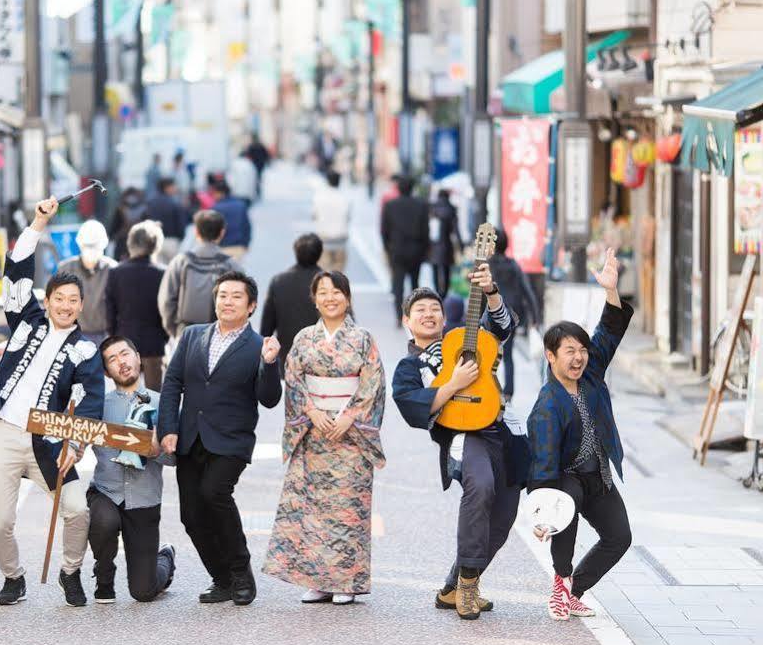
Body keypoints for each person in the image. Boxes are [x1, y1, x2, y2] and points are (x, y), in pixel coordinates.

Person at [0, 197, 106, 609]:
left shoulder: (85, 352)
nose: (66, 306)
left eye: (74, 301)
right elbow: (16, 269)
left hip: (50, 442)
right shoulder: (26, 320)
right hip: (2, 432)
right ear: (47, 298)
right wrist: (38, 223)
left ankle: (70, 571)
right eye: (60, 298)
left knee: (77, 511)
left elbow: (89, 406)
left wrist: (75, 446)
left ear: (81, 307)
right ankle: (13, 576)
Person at [391, 276, 530, 621]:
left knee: (503, 517)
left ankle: (456, 584)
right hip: (463, 435)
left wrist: (491, 291)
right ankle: (469, 586)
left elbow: (504, 324)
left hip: (503, 431)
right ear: (406, 321)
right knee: (480, 487)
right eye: (419, 310)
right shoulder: (410, 367)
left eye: (434, 308)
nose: (428, 314)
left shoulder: (467, 340)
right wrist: (454, 383)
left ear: (443, 316)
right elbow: (411, 408)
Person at [158, 271, 283, 606]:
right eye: (222, 295)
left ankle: (242, 573)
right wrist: (168, 428)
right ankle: (222, 578)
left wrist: (270, 364)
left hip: (231, 440)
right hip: (189, 437)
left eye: (236, 296)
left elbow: (269, 398)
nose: (227, 302)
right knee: (191, 515)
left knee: (214, 493)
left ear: (251, 305)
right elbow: (172, 384)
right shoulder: (192, 335)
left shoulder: (259, 347)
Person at [263, 271, 385, 605]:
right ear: (314, 299)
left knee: (348, 509)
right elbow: (293, 378)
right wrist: (312, 413)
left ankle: (346, 581)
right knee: (312, 510)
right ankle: (317, 580)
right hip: (313, 432)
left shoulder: (362, 338)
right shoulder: (303, 338)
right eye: (323, 293)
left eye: (337, 292)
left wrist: (349, 417)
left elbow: (373, 383)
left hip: (351, 437)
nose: (330, 298)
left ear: (347, 297)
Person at [528, 248, 633, 621]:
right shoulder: (547, 406)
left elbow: (609, 332)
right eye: (569, 351)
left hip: (598, 475)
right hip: (566, 478)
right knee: (564, 507)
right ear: (550, 356)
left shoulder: (590, 375)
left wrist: (610, 291)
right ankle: (559, 583)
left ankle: (575, 589)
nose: (579, 357)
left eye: (582, 350)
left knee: (620, 537)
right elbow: (542, 463)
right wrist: (542, 513)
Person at [88, 336, 178, 604]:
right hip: (107, 491)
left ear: (138, 357)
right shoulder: (97, 406)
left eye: (125, 354)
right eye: (112, 360)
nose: (121, 362)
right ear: (106, 371)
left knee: (143, 592)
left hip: (145, 499)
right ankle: (104, 577)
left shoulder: (163, 403)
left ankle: (165, 558)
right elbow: (74, 438)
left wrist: (155, 451)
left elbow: (177, 460)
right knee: (103, 521)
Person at [157, 210, 240, 342]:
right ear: (222, 232)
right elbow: (241, 304)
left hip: (185, 332)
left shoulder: (181, 261)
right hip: (220, 335)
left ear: (196, 232)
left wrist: (175, 330)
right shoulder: (231, 265)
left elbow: (166, 300)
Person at [106, 221, 169, 391]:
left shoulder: (116, 272)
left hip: (125, 341)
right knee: (154, 396)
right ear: (155, 245)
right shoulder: (163, 273)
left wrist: (114, 335)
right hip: (155, 343)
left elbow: (109, 311)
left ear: (130, 243)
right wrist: (165, 337)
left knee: (126, 395)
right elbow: (167, 310)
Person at [487, 229, 541, 401]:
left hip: (489, 315)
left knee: (488, 353)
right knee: (508, 354)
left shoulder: (487, 266)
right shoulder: (513, 265)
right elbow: (528, 291)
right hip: (511, 315)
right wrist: (535, 317)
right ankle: (509, 392)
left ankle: (487, 387)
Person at [260, 233, 323, 368]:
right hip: (321, 357)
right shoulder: (328, 283)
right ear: (320, 253)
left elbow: (267, 325)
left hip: (287, 356)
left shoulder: (279, 281)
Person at [57, 220, 117, 345]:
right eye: (87, 246)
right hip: (73, 336)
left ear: (103, 246)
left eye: (95, 246)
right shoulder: (65, 269)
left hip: (105, 336)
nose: (91, 250)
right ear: (80, 245)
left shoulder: (113, 269)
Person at [381, 176, 429, 325]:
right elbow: (425, 230)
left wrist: (388, 248)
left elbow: (384, 230)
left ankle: (398, 316)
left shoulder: (390, 205)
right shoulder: (421, 205)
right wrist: (424, 249)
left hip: (397, 249)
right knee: (415, 283)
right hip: (416, 249)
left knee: (398, 285)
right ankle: (415, 315)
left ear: (399, 188)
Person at [141, 177, 189, 264]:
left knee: (158, 272)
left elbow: (144, 221)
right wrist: (180, 238)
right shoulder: (175, 203)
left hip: (154, 241)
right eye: (173, 186)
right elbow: (181, 225)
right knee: (173, 273)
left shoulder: (150, 203)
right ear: (167, 187)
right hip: (171, 241)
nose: (175, 189)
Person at [312, 170, 351, 272]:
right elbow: (348, 218)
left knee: (324, 272)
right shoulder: (345, 198)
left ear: (327, 182)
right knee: (339, 273)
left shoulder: (319, 197)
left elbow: (314, 216)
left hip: (324, 238)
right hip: (340, 238)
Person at [429, 189, 464, 298]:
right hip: (446, 244)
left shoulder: (432, 209)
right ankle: (444, 294)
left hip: (433, 245)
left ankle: (436, 291)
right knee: (446, 269)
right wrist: (461, 245)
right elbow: (456, 230)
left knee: (435, 268)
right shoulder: (451, 209)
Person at [211, 180, 252, 263]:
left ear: (221, 193)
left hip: (221, 247)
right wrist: (246, 244)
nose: (213, 196)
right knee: (234, 273)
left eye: (214, 193)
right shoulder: (241, 205)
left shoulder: (216, 208)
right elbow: (247, 226)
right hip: (238, 247)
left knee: (222, 274)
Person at [106, 186, 146, 262]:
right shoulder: (144, 209)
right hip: (139, 242)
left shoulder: (120, 208)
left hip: (122, 242)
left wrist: (111, 238)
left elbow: (113, 227)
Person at [244, 135, 271, 199]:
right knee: (258, 179)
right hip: (259, 165)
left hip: (255, 165)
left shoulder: (252, 146)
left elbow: (248, 155)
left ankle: (255, 191)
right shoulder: (260, 146)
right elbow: (266, 155)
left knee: (254, 179)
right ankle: (257, 191)